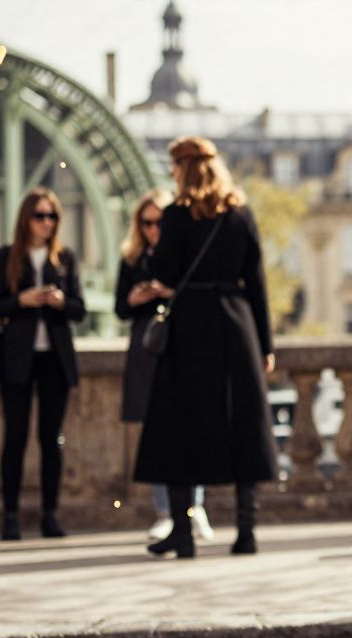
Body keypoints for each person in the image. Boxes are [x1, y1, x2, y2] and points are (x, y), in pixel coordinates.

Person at [134, 136, 277, 558]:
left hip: (190, 327)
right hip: (236, 325)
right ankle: (246, 533)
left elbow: (164, 272)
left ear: (182, 169)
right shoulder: (240, 214)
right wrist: (265, 345)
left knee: (179, 427)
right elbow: (257, 283)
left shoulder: (176, 216)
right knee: (242, 426)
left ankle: (182, 534)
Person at [0, 187, 87, 541]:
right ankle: (10, 516)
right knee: (15, 436)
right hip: (17, 359)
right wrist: (21, 300)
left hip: (55, 358)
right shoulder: (6, 256)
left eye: (52, 216)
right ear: (26, 219)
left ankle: (50, 515)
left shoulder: (66, 258)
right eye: (40, 215)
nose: (46, 222)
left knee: (52, 439)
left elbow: (80, 309)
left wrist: (60, 301)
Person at [114, 190, 212, 541]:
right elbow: (120, 309)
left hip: (183, 343)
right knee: (154, 432)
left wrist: (171, 292)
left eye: (159, 222)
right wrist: (135, 297)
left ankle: (194, 507)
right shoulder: (132, 258)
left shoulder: (186, 253)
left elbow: (203, 295)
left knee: (191, 428)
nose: (153, 229)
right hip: (148, 346)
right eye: (147, 223)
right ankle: (166, 511)